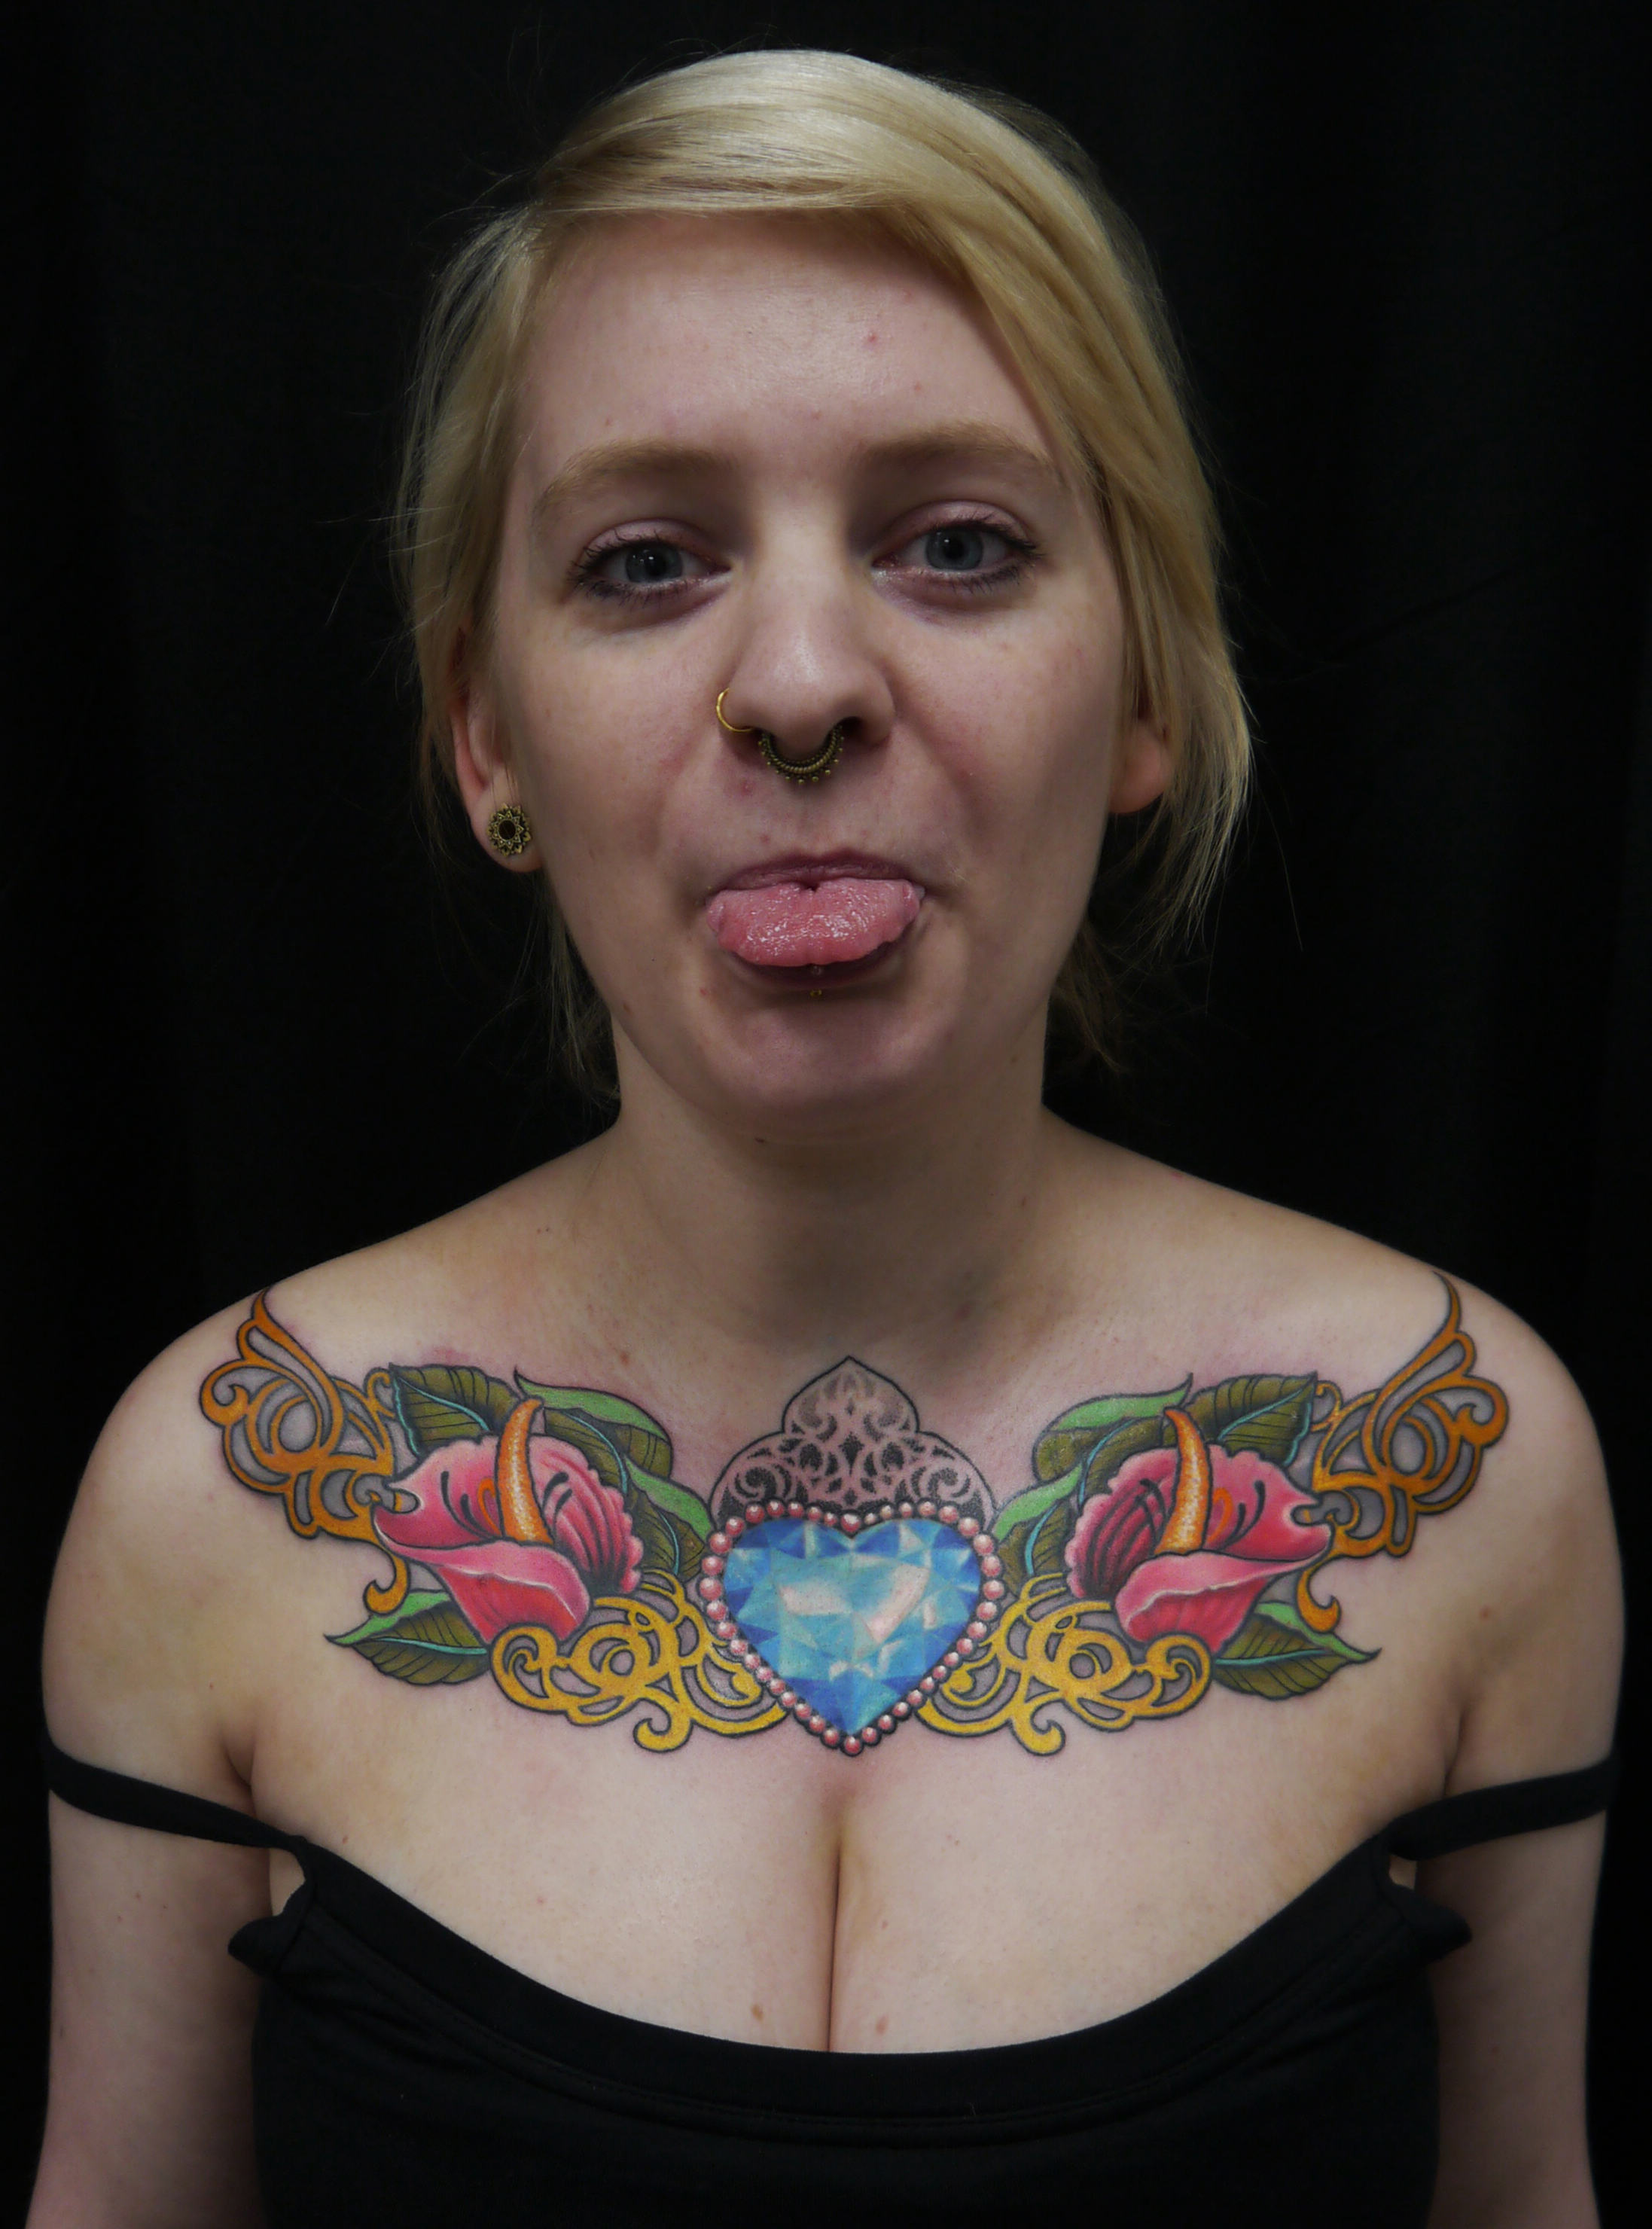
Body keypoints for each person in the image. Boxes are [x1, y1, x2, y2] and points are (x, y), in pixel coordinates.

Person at [32, 48, 1619, 2229]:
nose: (800, 685)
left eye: (958, 546)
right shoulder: (225, 1486)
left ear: (1149, 685)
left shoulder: (1451, 1465)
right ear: (484, 729)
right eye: (645, 560)